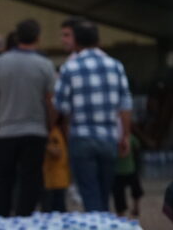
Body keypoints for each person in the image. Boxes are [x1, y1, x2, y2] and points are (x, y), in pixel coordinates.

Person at [54, 20, 133, 212]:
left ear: (76, 42)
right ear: (98, 41)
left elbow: (60, 105)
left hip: (81, 137)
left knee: (89, 192)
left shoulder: (69, 67)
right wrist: (125, 136)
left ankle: (95, 223)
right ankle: (103, 222)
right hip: (109, 137)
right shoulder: (115, 66)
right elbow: (125, 104)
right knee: (105, 192)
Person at [0, 19, 57, 217]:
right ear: (38, 37)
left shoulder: (1, 63)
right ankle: (24, 221)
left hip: (6, 131)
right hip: (35, 131)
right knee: (30, 180)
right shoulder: (45, 65)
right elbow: (51, 101)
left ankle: (1, 220)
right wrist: (50, 124)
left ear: (17, 37)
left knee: (4, 180)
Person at [42, 118, 70, 213]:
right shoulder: (59, 132)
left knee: (53, 211)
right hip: (55, 180)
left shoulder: (53, 133)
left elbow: (57, 152)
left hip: (54, 181)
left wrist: (44, 145)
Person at [113, 133, 143, 216]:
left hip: (129, 170)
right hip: (119, 171)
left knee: (136, 191)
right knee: (119, 194)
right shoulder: (117, 137)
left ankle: (135, 208)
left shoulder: (130, 138)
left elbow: (137, 149)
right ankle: (121, 214)